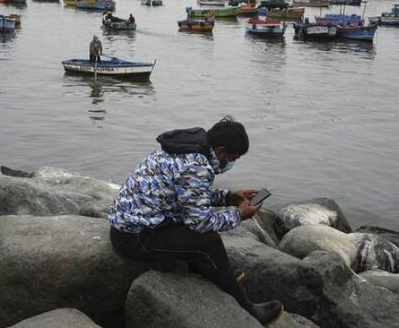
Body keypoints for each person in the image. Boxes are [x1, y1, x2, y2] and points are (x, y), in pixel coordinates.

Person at [108, 116, 283, 325]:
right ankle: (248, 308)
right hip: (134, 237)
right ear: (221, 152)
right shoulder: (196, 165)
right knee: (208, 241)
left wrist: (227, 197)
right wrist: (239, 215)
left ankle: (214, 273)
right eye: (233, 158)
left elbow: (188, 195)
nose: (232, 163)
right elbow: (200, 222)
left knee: (195, 228)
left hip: (140, 222)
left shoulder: (188, 148)